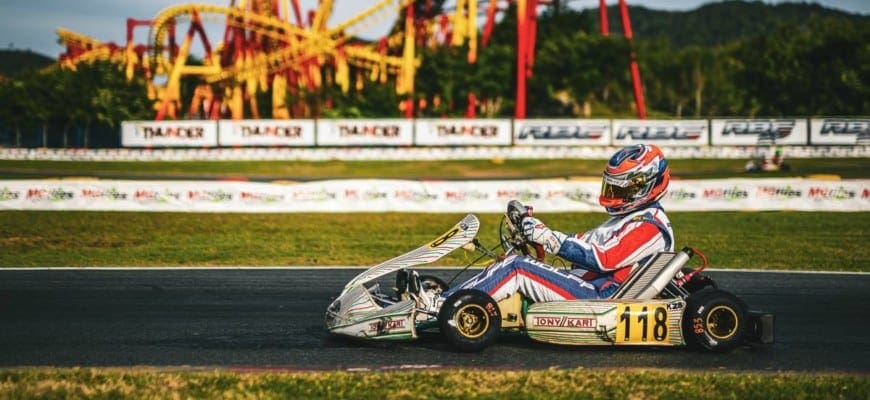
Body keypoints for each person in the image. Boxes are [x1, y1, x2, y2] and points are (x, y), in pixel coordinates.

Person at [424, 144, 675, 307]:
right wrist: (539, 233)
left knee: (517, 269)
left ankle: (441, 306)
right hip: (587, 285)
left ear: (645, 185)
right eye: (612, 186)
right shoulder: (627, 219)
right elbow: (583, 242)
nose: (614, 194)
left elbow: (604, 259)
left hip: (602, 298)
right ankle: (444, 299)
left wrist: (550, 238)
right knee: (507, 262)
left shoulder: (650, 226)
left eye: (621, 188)